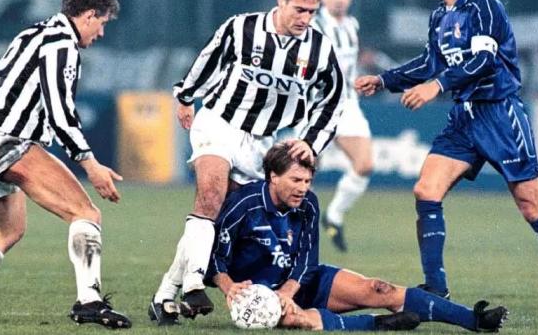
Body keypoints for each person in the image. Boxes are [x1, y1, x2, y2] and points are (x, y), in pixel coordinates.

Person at [355, 0, 538, 320]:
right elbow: (429, 63)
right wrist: (385, 80)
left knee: (532, 204)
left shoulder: (484, 7)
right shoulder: (440, 16)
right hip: (464, 117)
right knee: (426, 189)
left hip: (500, 115)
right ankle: (436, 289)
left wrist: (436, 86)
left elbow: (484, 60)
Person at [149, 0, 345, 325]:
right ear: (280, 0)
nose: (305, 19)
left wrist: (311, 142)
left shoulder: (319, 49)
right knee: (210, 196)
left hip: (262, 144)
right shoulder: (241, 28)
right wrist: (186, 96)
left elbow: (334, 100)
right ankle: (194, 284)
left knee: (224, 217)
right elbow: (208, 59)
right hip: (220, 121)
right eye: (299, 9)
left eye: (312, 12)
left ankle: (164, 294)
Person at [0, 0, 131, 329]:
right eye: (101, 23)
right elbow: (61, 113)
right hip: (10, 141)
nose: (100, 33)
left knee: (9, 230)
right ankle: (89, 302)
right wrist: (91, 165)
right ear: (88, 15)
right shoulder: (62, 44)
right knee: (86, 212)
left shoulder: (34, 33)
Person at [207, 141, 508, 332]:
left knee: (380, 289)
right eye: (296, 180)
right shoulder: (243, 205)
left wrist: (288, 291)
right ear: (273, 176)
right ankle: (377, 325)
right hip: (260, 295)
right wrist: (231, 288)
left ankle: (475, 320)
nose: (303, 188)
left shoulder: (308, 203)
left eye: (308, 180)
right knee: (298, 320)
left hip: (300, 282)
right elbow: (214, 258)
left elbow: (307, 261)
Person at [311, 0, 373, 252]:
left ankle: (334, 215)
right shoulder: (313, 25)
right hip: (316, 105)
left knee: (365, 164)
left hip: (347, 104)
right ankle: (296, 226)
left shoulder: (352, 25)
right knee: (305, 169)